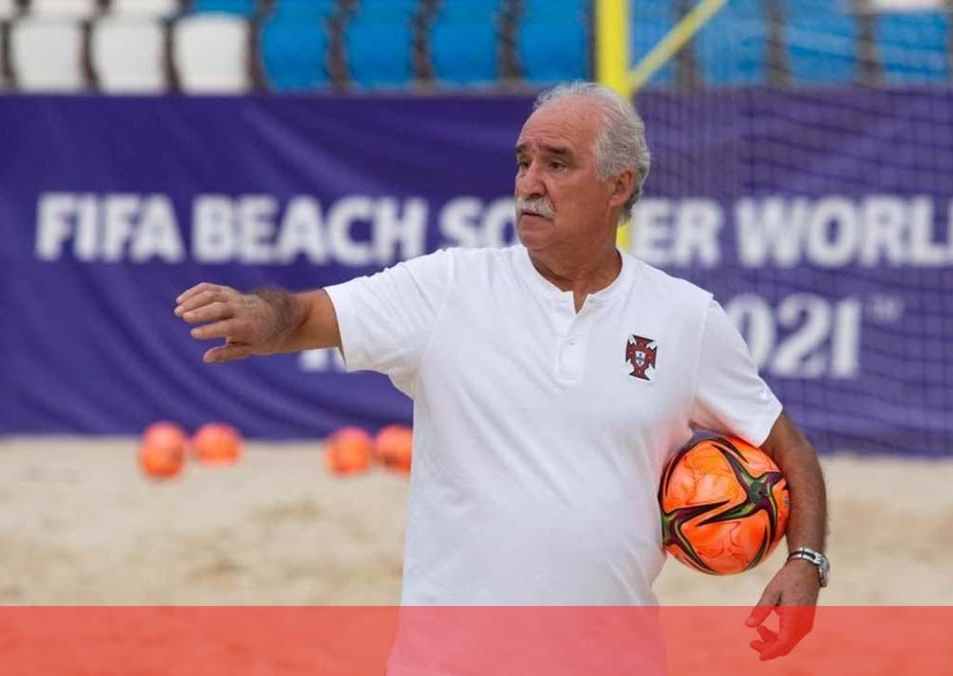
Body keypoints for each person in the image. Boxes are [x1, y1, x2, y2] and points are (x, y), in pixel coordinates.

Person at [174, 82, 828, 669]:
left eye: (557, 163)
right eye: (523, 161)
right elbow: (311, 312)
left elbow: (787, 449)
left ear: (619, 185)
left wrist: (806, 562)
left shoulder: (686, 320)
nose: (529, 182)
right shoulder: (448, 287)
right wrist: (263, 316)